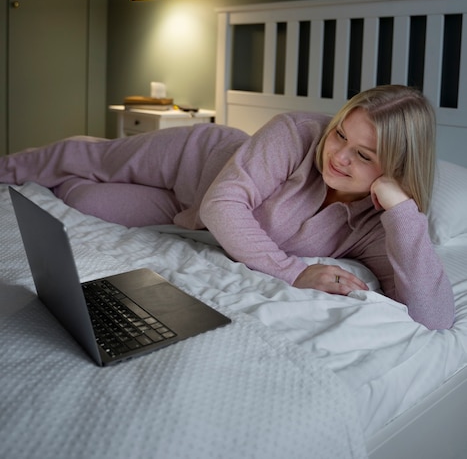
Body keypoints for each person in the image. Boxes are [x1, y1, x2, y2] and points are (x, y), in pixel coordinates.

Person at [0, 85, 455, 329]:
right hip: (195, 162)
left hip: (184, 216)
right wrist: (291, 270)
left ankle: (60, 178)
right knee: (93, 158)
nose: (338, 156)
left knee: (81, 197)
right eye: (341, 135)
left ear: (395, 168)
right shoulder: (296, 131)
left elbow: (433, 317)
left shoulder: (381, 224)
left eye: (364, 156)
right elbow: (224, 204)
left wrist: (400, 211)